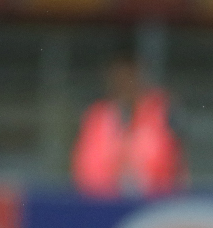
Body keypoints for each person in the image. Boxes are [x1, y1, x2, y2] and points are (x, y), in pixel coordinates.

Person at [71, 51, 184, 198]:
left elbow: (173, 165)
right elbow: (86, 167)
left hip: (154, 202)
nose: (124, 84)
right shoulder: (97, 116)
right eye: (119, 77)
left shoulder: (162, 113)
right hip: (104, 201)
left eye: (130, 76)